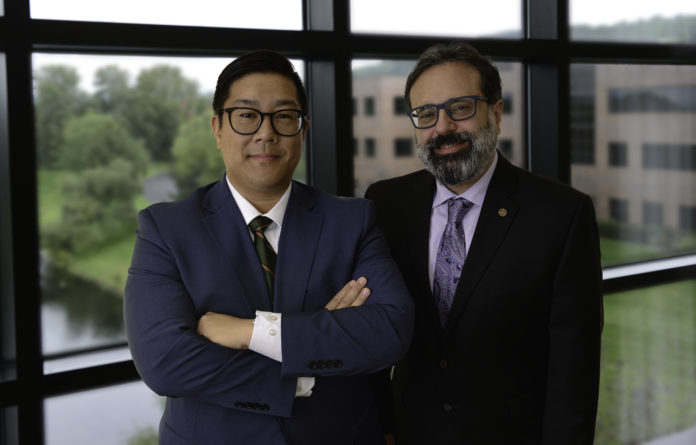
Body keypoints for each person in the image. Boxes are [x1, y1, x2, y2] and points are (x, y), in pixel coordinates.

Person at [124, 50, 414, 445]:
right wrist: (306, 367)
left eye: (284, 116)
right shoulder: (166, 229)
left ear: (303, 130)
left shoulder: (352, 220)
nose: (266, 133)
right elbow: (165, 363)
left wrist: (251, 332)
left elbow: (390, 331)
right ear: (217, 128)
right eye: (247, 115)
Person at [365, 42, 603, 444]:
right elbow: (371, 331)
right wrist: (381, 429)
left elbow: (574, 370)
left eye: (460, 107)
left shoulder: (562, 214)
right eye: (426, 114)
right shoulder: (386, 203)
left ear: (496, 112)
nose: (443, 128)